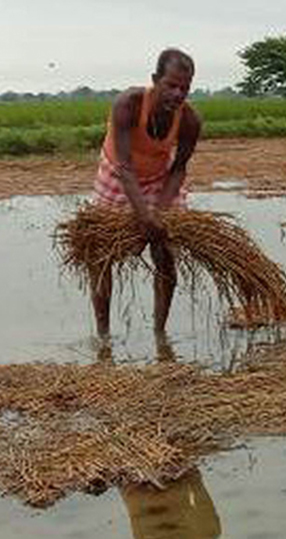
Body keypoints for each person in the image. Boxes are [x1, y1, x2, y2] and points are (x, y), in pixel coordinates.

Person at [89, 48, 202, 339]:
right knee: (99, 256)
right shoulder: (129, 104)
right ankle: (103, 334)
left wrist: (159, 216)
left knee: (165, 252)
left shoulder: (189, 119)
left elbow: (178, 170)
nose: (178, 94)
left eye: (185, 88)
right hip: (118, 172)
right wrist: (144, 218)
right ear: (155, 79)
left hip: (159, 176)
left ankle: (159, 333)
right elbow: (124, 166)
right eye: (172, 85)